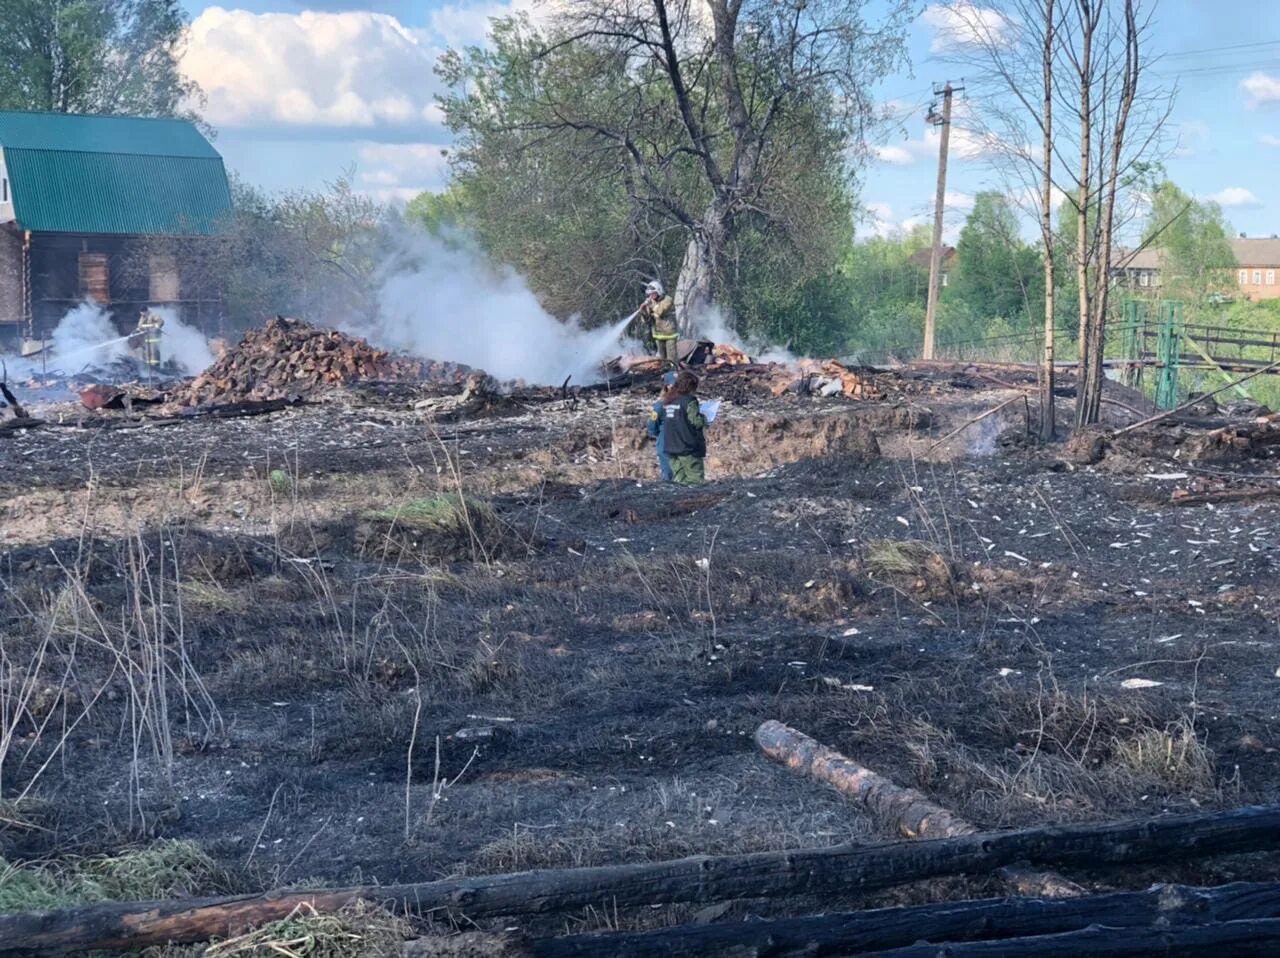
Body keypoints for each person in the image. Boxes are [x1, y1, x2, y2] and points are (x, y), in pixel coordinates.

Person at [661, 370, 708, 485]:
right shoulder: (689, 401)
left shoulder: (668, 401)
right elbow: (696, 421)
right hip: (687, 447)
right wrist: (705, 418)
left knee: (679, 482)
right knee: (696, 481)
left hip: (671, 447)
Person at [646, 370, 676, 482]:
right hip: (666, 443)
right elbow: (652, 425)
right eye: (673, 385)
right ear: (667, 386)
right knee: (668, 475)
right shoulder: (661, 405)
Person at [639, 279, 679, 363]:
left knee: (671, 359)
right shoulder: (651, 302)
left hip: (669, 335)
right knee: (661, 359)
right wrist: (643, 311)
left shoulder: (667, 300)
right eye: (649, 294)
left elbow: (660, 312)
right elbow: (646, 320)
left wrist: (650, 305)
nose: (651, 296)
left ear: (658, 291)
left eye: (653, 294)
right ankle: (664, 374)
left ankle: (673, 373)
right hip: (658, 335)